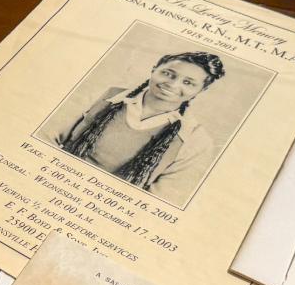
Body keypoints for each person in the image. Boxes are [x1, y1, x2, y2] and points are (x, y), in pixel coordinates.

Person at [55, 52, 226, 205]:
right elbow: (48, 134)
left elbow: (159, 201)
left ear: (202, 90)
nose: (172, 85)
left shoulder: (195, 139)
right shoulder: (106, 95)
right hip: (58, 178)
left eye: (188, 82)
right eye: (167, 73)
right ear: (154, 70)